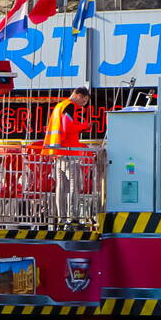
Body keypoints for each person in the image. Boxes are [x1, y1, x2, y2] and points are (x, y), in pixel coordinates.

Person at [42, 86, 92, 225]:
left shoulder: (59, 106)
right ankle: (73, 217)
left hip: (58, 153)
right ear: (79, 95)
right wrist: (85, 126)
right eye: (84, 101)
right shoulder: (70, 106)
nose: (83, 105)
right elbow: (68, 127)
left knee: (61, 187)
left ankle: (61, 217)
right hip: (69, 153)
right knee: (74, 186)